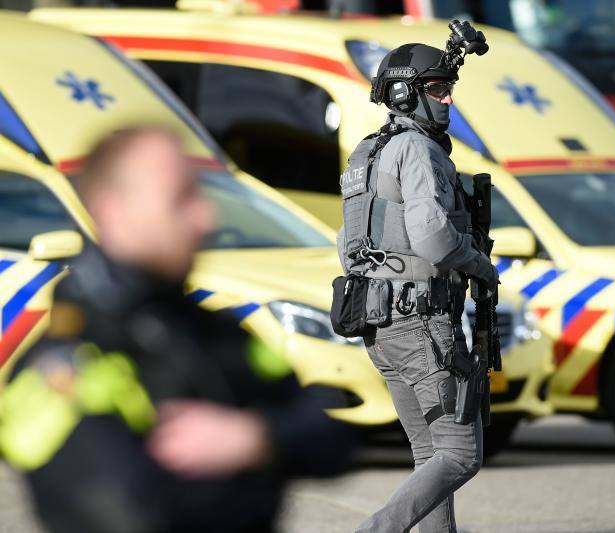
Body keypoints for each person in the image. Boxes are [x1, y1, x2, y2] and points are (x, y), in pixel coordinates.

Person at [0, 127, 353, 533]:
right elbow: (132, 514)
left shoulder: (207, 327)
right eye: (180, 199)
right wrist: (265, 469)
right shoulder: (60, 360)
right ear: (114, 209)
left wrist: (253, 439)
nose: (206, 217)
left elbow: (331, 438)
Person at [336, 42, 498, 533]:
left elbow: (348, 246)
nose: (448, 100)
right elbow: (432, 238)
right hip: (420, 324)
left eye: (449, 88)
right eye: (438, 89)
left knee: (430, 454)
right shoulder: (418, 149)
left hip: (381, 328)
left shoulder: (367, 152)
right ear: (405, 94)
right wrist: (479, 264)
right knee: (460, 454)